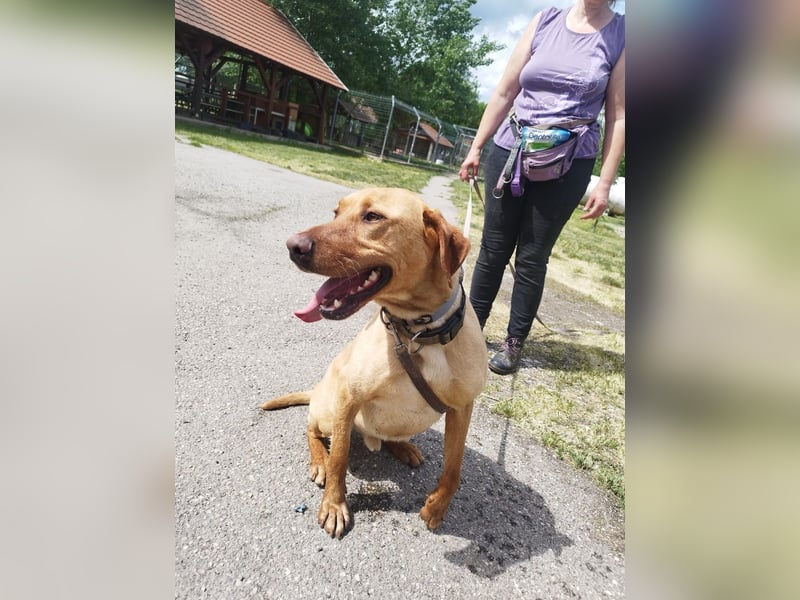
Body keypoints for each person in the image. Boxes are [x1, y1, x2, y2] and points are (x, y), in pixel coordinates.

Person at [458, 0, 625, 375]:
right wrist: (475, 147)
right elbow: (504, 91)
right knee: (493, 248)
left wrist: (606, 183)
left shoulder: (622, 34)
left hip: (568, 160)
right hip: (511, 148)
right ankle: (469, 332)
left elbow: (619, 114)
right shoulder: (545, 20)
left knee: (533, 256)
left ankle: (513, 344)